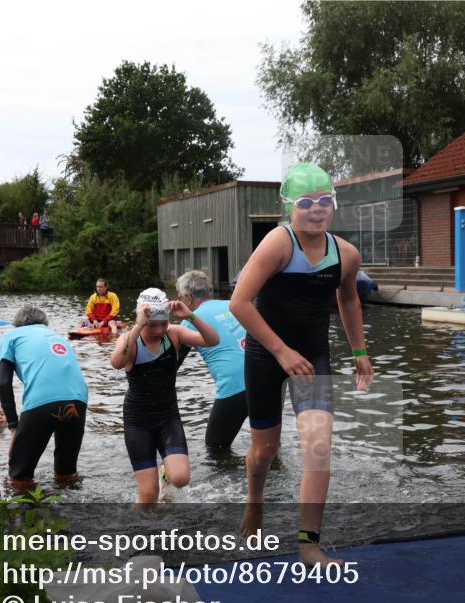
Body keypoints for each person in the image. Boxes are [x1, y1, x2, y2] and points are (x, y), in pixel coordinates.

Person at [230, 162, 373, 566]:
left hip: (312, 356)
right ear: (289, 207)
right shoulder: (278, 243)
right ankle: (254, 501)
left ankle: (308, 542)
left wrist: (360, 353)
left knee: (319, 447)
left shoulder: (346, 255)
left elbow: (348, 300)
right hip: (266, 353)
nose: (317, 209)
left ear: (334, 205)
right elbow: (240, 303)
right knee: (264, 452)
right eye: (307, 202)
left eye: (325, 201)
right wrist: (280, 351)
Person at [110, 288, 219, 504]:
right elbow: (116, 362)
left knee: (180, 479)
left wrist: (190, 316)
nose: (159, 330)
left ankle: (165, 473)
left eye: (163, 323)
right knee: (148, 497)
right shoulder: (129, 340)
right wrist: (139, 325)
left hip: (168, 416)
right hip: (138, 421)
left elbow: (212, 340)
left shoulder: (174, 335)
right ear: (140, 319)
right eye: (153, 324)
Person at [0, 304, 88, 487]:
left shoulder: (11, 335)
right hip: (78, 399)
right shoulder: (57, 337)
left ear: (16, 324)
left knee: (19, 477)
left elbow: (3, 383)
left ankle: (21, 512)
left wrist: (14, 426)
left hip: (42, 401)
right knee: (66, 474)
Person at [176, 270, 248, 458]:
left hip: (236, 385)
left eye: (179, 297)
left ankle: (230, 486)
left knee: (215, 448)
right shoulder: (233, 305)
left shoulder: (190, 322)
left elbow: (171, 366)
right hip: (267, 379)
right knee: (267, 446)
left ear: (188, 297)